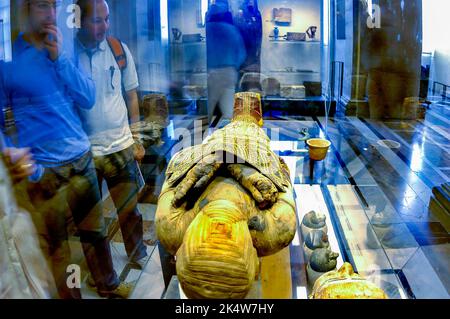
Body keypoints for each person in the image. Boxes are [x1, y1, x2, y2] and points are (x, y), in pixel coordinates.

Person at [0, 0, 131, 298]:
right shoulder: (8, 61)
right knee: (58, 249)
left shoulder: (63, 49)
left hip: (81, 159)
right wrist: (17, 158)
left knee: (95, 233)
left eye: (54, 7)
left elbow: (87, 98)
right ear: (25, 10)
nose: (50, 14)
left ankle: (107, 284)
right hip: (46, 170)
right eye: (43, 7)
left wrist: (59, 58)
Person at [75, 0, 148, 272]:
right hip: (87, 152)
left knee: (129, 209)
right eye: (96, 20)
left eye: (106, 19)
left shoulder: (118, 50)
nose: (103, 26)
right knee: (91, 221)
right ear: (79, 21)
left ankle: (137, 252)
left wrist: (137, 137)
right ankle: (103, 275)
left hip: (120, 147)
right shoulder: (70, 56)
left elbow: (131, 96)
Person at [205, 0, 246, 122]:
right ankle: (228, 138)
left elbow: (198, 53)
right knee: (229, 111)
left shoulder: (207, 29)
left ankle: (203, 137)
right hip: (229, 72)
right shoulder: (232, 30)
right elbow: (241, 54)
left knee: (209, 108)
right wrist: (234, 66)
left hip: (212, 73)